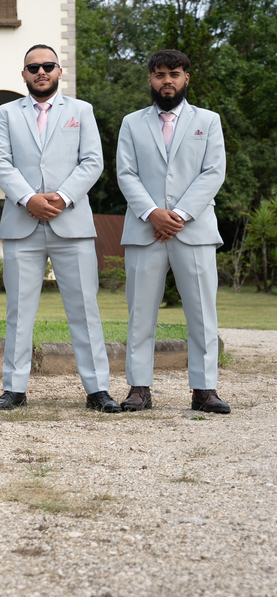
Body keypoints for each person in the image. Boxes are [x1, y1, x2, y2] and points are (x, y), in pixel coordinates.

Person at [0, 44, 120, 413]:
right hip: (22, 224)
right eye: (33, 67)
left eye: (48, 66)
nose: (41, 72)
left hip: (72, 223)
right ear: (24, 74)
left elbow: (92, 161)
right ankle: (14, 388)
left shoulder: (81, 110)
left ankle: (98, 389)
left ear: (59, 71)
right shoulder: (6, 113)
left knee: (85, 309)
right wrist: (28, 198)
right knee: (18, 311)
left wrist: (62, 197)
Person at [116, 50, 229, 413]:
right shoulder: (132, 123)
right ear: (150, 79)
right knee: (140, 312)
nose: (167, 80)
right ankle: (139, 388)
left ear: (186, 78)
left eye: (174, 74)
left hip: (194, 230)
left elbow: (213, 172)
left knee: (202, 312)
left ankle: (204, 389)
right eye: (160, 74)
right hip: (144, 229)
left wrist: (177, 215)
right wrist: (153, 213)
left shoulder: (208, 121)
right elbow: (126, 173)